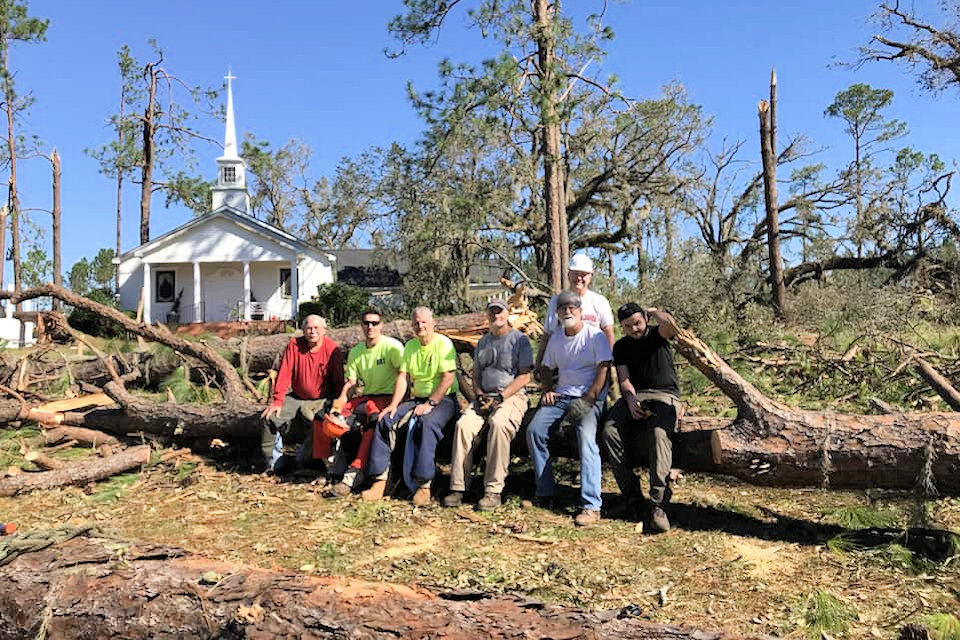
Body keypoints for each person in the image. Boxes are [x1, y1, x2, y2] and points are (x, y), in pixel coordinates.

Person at [526, 291, 613, 527]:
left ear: (580, 310)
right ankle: (546, 492)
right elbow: (546, 367)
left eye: (572, 307)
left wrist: (591, 397)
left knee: (586, 438)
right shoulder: (556, 339)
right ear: (557, 313)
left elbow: (604, 368)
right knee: (534, 431)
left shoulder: (594, 336)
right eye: (563, 308)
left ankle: (591, 505)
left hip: (589, 397)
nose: (568, 311)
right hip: (562, 395)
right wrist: (548, 390)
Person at [362, 306, 460, 506]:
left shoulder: (443, 344)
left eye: (424, 322)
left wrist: (431, 403)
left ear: (433, 323)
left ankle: (424, 485)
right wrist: (394, 405)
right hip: (417, 399)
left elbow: (448, 378)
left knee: (427, 423)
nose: (420, 325)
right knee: (384, 420)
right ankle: (380, 481)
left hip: (444, 399)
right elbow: (403, 378)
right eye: (416, 322)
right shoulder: (411, 346)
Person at [443, 299, 532, 511]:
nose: (496, 316)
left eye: (499, 312)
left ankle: (493, 491)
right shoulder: (483, 342)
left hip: (512, 396)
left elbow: (524, 377)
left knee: (500, 424)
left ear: (507, 313)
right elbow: (476, 375)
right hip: (484, 397)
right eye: (492, 312)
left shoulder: (519, 340)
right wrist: (480, 394)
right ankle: (458, 486)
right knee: (463, 426)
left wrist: (501, 398)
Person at [599, 302, 681, 533]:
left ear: (645, 318)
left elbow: (672, 327)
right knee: (609, 431)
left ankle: (658, 503)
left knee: (658, 433)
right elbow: (624, 379)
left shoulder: (658, 334)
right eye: (627, 326)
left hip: (665, 395)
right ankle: (632, 496)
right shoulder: (622, 347)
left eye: (637, 322)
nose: (634, 329)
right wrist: (630, 399)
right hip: (637, 395)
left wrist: (655, 312)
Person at [324, 308, 405, 498]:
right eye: (367, 323)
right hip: (368, 397)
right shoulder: (357, 351)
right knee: (329, 418)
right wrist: (338, 407)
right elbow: (351, 383)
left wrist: (396, 403)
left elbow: (405, 376)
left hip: (388, 397)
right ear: (361, 325)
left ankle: (352, 477)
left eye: (375, 323)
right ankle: (332, 468)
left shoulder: (392, 347)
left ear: (382, 325)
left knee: (372, 426)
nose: (371, 327)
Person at [260, 314, 344, 475]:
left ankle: (308, 459)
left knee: (313, 419)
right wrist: (277, 401)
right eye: (309, 328)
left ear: (324, 330)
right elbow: (284, 373)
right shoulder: (294, 345)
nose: (313, 332)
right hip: (296, 396)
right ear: (303, 330)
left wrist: (336, 405)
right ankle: (274, 462)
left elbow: (339, 381)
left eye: (316, 328)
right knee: (269, 418)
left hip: (322, 397)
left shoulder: (332, 349)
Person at [536, 252, 615, 371]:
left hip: (593, 365)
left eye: (584, 275)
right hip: (562, 366)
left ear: (590, 277)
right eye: (576, 274)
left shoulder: (599, 301)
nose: (579, 278)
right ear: (568, 275)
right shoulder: (556, 301)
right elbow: (548, 334)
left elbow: (608, 334)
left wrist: (611, 363)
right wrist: (539, 363)